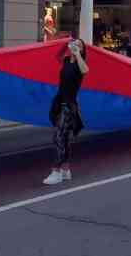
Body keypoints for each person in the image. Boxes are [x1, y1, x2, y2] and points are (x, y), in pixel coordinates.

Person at [44, 34, 89, 185]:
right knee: (65, 139)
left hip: (69, 106)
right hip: (60, 102)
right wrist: (65, 44)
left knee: (58, 137)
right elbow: (57, 56)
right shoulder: (66, 61)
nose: (75, 46)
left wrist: (77, 54)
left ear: (82, 50)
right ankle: (65, 170)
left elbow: (85, 70)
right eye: (74, 43)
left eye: (79, 45)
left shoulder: (79, 65)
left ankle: (56, 171)